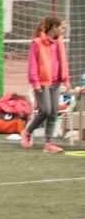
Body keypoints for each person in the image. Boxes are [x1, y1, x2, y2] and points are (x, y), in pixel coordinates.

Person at [22, 15, 69, 153]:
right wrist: (35, 81)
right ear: (54, 27)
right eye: (62, 27)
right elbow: (33, 64)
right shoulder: (37, 43)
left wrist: (66, 79)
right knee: (46, 110)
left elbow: (63, 62)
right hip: (42, 83)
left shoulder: (59, 43)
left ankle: (49, 143)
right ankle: (28, 131)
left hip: (56, 82)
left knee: (54, 112)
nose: (63, 30)